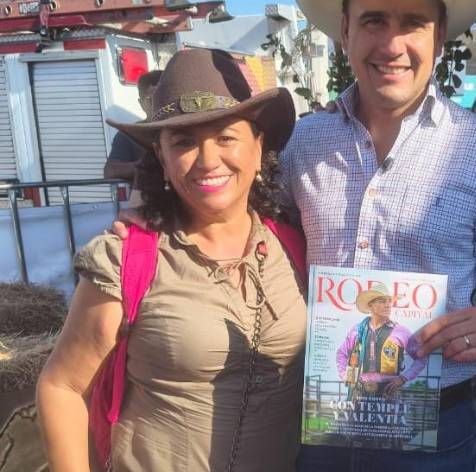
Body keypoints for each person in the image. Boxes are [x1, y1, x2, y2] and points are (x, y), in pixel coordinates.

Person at [287, 0, 476, 470]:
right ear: (345, 30)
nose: (393, 43)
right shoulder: (301, 146)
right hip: (319, 420)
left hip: (436, 427)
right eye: (374, 20)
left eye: (414, 22)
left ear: (440, 35)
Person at [37, 49, 306, 472]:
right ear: (161, 159)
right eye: (183, 142)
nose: (207, 160)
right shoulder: (125, 259)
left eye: (225, 136)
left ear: (259, 148)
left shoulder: (295, 248)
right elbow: (63, 386)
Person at [336, 284, 426, 401]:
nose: (388, 305)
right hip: (358, 392)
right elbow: (341, 354)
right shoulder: (357, 330)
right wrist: (346, 375)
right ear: (371, 306)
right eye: (382, 301)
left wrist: (403, 378)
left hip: (388, 391)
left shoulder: (400, 331)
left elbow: (421, 356)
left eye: (389, 301)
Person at [104, 70, 163, 181]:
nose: (159, 104)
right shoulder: (129, 134)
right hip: (146, 196)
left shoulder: (183, 128)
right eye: (152, 99)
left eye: (164, 98)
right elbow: (110, 170)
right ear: (141, 104)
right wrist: (148, 165)